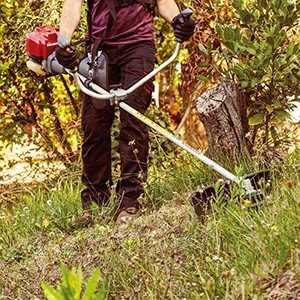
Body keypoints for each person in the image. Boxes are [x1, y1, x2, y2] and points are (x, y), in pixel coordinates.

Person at [55, 0, 195, 224]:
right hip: (99, 50)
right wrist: (64, 42)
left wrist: (178, 21)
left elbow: (163, 2)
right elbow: (72, 6)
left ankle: (130, 200)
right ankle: (94, 204)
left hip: (138, 47)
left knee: (133, 120)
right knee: (94, 125)